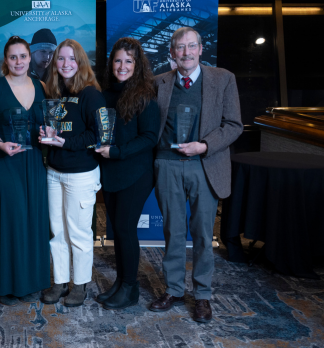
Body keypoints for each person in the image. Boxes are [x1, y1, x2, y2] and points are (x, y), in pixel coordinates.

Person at [149, 27, 242, 322]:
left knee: (203, 234)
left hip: (205, 164)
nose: (186, 53)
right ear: (172, 53)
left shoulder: (223, 79)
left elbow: (233, 125)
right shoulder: (157, 83)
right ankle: (174, 289)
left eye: (191, 47)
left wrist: (203, 146)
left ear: (201, 49)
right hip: (167, 164)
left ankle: (202, 295)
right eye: (180, 47)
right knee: (173, 232)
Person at [0, 36, 51, 306]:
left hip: (33, 164)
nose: (19, 61)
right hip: (5, 162)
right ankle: (3, 285)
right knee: (9, 223)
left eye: (23, 56)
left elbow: (46, 122)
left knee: (33, 222)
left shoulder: (41, 85)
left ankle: (30, 282)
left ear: (29, 57)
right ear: (6, 60)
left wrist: (48, 132)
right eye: (13, 57)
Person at [39, 39, 106, 307]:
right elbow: (58, 129)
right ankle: (59, 282)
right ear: (55, 63)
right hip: (54, 171)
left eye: (71, 59)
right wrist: (46, 135)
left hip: (81, 173)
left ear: (80, 63)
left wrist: (65, 142)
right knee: (57, 232)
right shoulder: (54, 93)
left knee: (78, 233)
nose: (66, 64)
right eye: (61, 59)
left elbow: (98, 133)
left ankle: (79, 285)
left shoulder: (90, 94)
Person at [95, 37, 160, 309]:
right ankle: (121, 283)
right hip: (111, 172)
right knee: (117, 232)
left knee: (125, 229)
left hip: (136, 172)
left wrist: (117, 152)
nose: (122, 66)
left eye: (128, 61)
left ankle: (130, 288)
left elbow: (149, 137)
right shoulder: (106, 93)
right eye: (118, 60)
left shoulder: (145, 94)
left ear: (137, 64)